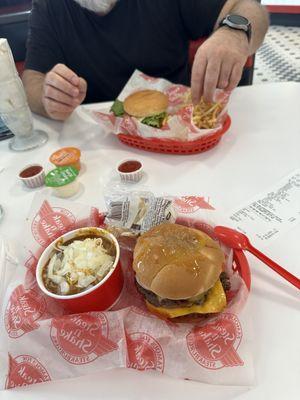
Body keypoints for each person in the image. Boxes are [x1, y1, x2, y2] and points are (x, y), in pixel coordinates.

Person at [22, 0, 269, 121]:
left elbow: (249, 8)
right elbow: (32, 77)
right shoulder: (49, 6)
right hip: (98, 143)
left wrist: (234, 33)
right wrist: (48, 97)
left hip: (178, 130)